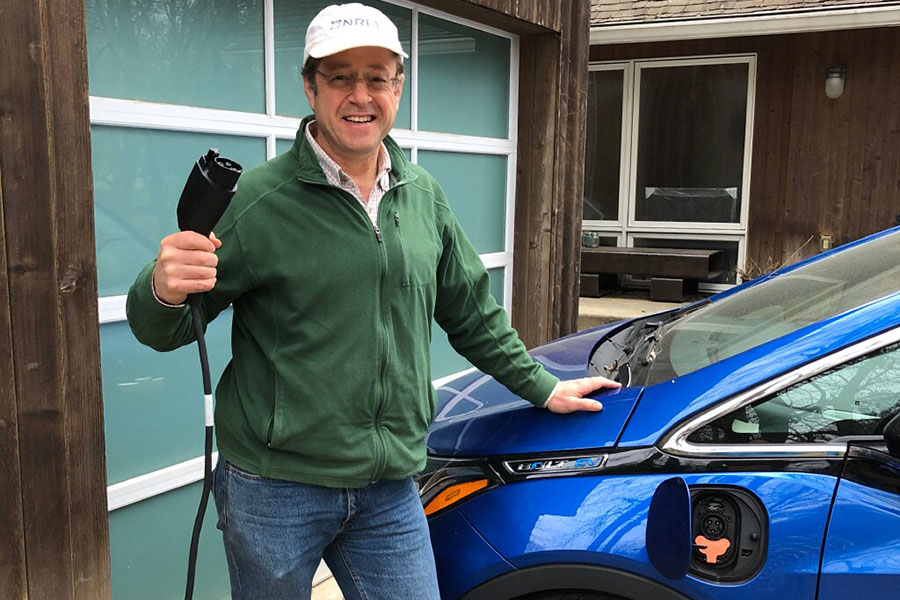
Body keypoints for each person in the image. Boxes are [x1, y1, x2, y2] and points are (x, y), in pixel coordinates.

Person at [126, 3, 621, 599]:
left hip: (390, 485)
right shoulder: (257, 203)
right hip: (273, 486)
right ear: (310, 87)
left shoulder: (423, 197)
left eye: (376, 77)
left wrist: (543, 386)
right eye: (339, 77)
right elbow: (166, 328)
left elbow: (471, 313)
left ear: (398, 86)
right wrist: (161, 285)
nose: (360, 95)